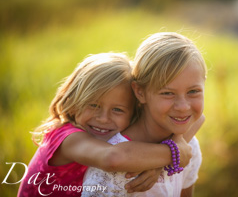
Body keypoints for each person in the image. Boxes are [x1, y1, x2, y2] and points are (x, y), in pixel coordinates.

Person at [17, 53, 194, 197]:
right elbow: (112, 158)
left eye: (117, 110)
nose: (102, 118)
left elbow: (198, 118)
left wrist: (161, 162)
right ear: (74, 99)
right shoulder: (67, 138)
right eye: (93, 105)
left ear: (135, 111)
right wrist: (173, 152)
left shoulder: (121, 131)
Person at [82, 32, 207, 197]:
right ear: (140, 92)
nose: (183, 107)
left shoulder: (189, 146)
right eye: (167, 93)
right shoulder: (113, 174)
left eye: (193, 91)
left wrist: (163, 163)